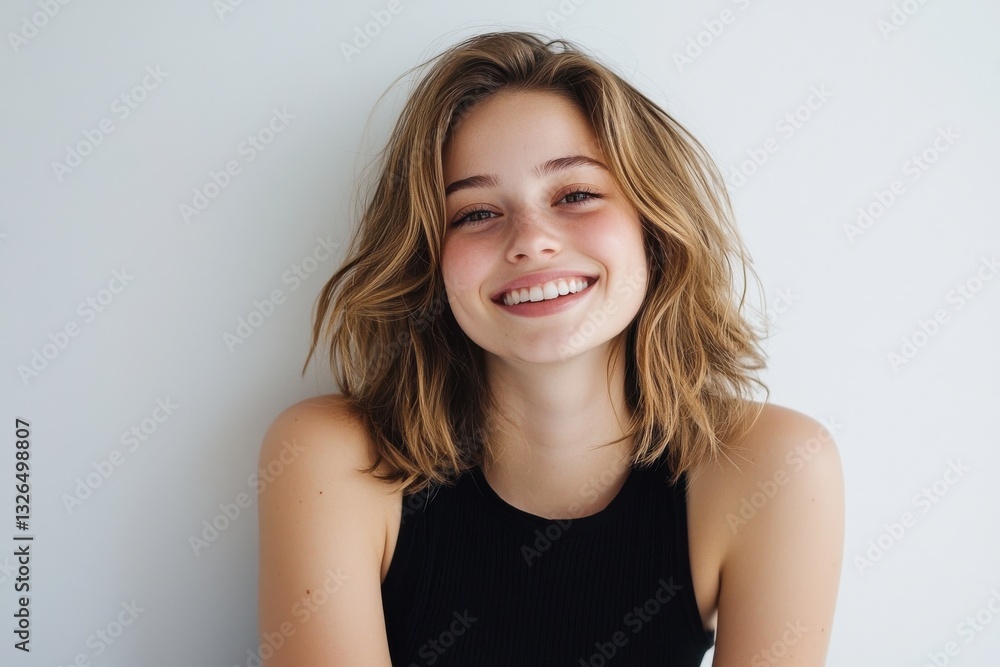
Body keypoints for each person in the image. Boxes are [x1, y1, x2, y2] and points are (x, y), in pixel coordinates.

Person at [256, 30, 844, 666]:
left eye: (576, 195)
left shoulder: (775, 468)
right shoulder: (331, 459)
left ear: (654, 230)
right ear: (431, 261)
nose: (531, 241)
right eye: (476, 212)